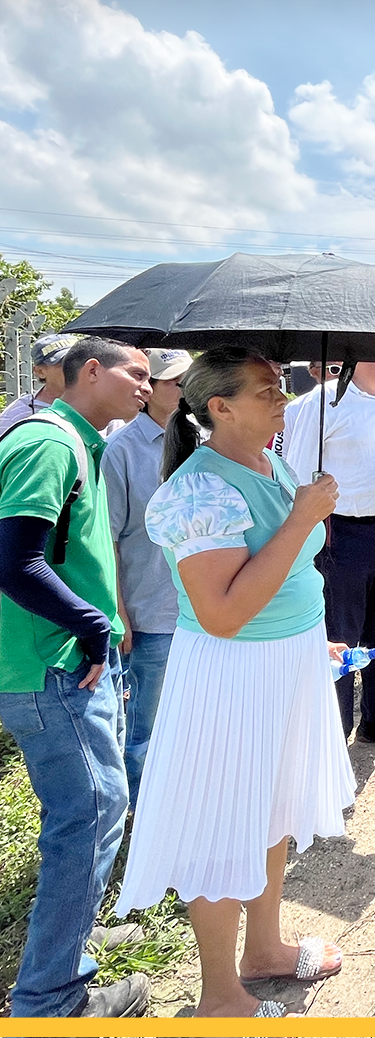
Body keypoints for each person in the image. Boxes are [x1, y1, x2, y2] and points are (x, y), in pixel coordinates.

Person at [114, 348, 356, 1019]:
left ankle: (266, 951)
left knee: (271, 809)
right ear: (218, 407)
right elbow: (221, 613)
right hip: (231, 677)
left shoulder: (270, 462)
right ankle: (221, 997)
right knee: (222, 828)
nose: (283, 400)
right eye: (266, 391)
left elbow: (287, 575)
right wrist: (304, 519)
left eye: (281, 388)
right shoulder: (198, 490)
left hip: (283, 663)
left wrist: (314, 640)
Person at [0, 336, 152, 1018]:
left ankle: (72, 942)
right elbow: (14, 561)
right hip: (52, 664)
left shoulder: (80, 443)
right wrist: (91, 626)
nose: (146, 388)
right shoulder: (49, 443)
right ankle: (49, 1000)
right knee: (87, 815)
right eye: (137, 374)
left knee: (91, 809)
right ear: (90, 370)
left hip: (63, 658)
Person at [283, 362, 375, 749]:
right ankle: (335, 730)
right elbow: (295, 474)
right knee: (339, 633)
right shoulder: (323, 402)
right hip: (342, 533)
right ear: (362, 354)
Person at [102, 347, 194, 811]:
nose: (185, 388)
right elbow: (111, 538)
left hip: (204, 607)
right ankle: (144, 811)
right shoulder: (121, 451)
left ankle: (187, 802)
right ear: (150, 391)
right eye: (175, 381)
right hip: (152, 608)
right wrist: (120, 612)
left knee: (198, 715)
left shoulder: (203, 438)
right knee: (147, 721)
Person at [0, 332, 79, 437]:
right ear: (40, 372)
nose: (74, 369)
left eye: (78, 362)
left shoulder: (98, 402)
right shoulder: (18, 414)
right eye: (64, 364)